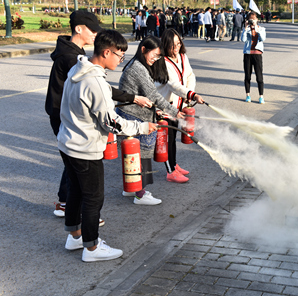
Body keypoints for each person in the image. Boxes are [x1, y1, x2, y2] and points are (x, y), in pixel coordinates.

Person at [58, 30, 158, 262]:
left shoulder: (77, 69)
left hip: (67, 143)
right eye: (119, 56)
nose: (120, 61)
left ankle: (75, 236)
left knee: (75, 191)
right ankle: (92, 249)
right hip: (85, 149)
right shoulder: (96, 82)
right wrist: (142, 127)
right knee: (93, 198)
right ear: (106, 52)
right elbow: (112, 122)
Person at [45, 10, 152, 220]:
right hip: (68, 118)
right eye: (92, 30)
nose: (95, 34)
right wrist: (133, 100)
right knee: (81, 170)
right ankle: (83, 224)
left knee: (74, 166)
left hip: (69, 117)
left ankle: (69, 212)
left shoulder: (75, 53)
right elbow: (98, 90)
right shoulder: (69, 57)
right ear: (78, 29)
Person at [117, 36, 185, 205]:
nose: (155, 60)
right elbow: (153, 95)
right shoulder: (138, 68)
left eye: (158, 57)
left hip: (132, 113)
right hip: (135, 115)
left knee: (132, 155)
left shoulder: (138, 65)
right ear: (143, 50)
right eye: (153, 55)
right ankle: (140, 194)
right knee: (142, 155)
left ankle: (130, 187)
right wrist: (173, 111)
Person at [154, 29, 206, 182]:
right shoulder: (162, 61)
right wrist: (191, 95)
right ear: (165, 45)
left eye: (178, 44)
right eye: (172, 45)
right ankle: (170, 172)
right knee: (167, 139)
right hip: (165, 106)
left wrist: (190, 94)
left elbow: (190, 75)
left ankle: (174, 165)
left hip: (178, 105)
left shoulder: (183, 56)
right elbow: (173, 85)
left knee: (174, 136)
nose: (175, 48)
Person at [241, 12, 266, 104]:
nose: (252, 21)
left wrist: (256, 28)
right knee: (247, 76)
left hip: (257, 54)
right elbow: (243, 39)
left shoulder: (261, 29)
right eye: (251, 19)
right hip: (247, 54)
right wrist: (245, 28)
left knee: (259, 77)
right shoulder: (246, 30)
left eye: (254, 19)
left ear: (257, 20)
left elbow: (262, 38)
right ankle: (248, 95)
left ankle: (261, 96)